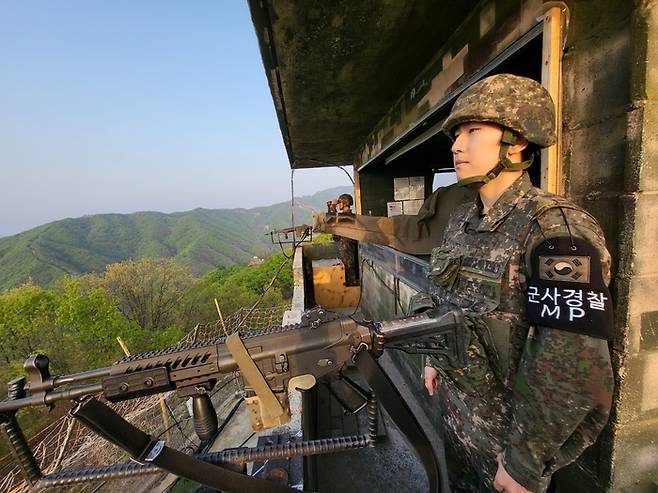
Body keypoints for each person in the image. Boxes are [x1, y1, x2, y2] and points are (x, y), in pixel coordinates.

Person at [415, 74, 614, 493]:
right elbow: (439, 299)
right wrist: (431, 353)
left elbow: (570, 367)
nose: (456, 145)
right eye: (456, 134)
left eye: (473, 131)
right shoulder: (461, 223)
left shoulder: (556, 230)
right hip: (458, 426)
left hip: (508, 452)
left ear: (517, 141)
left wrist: (524, 464)